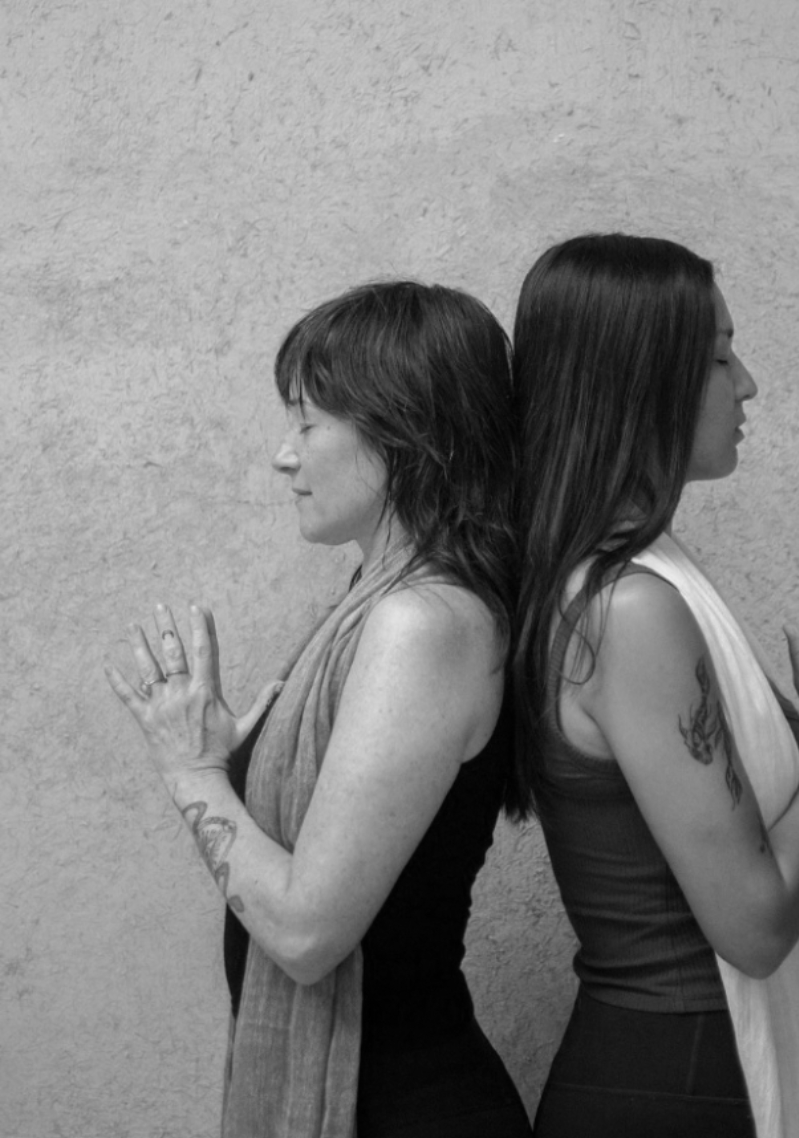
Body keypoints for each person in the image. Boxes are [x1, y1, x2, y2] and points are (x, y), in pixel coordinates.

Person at [510, 233, 799, 1138]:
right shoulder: (627, 609)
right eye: (716, 357)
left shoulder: (633, 578)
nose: (745, 384)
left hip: (674, 1073)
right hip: (677, 1086)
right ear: (639, 381)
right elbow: (751, 925)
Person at [106, 281, 532, 1138]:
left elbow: (306, 934)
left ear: (402, 430)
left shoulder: (424, 620)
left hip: (404, 1108)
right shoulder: (378, 599)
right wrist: (237, 766)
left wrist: (191, 774)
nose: (284, 456)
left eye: (308, 422)